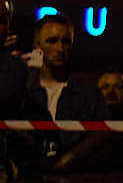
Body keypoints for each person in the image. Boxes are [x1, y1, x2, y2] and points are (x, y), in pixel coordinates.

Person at [19, 14, 109, 160]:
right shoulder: (22, 90)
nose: (60, 48)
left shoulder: (89, 94)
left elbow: (104, 141)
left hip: (75, 176)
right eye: (52, 41)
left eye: (66, 41)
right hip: (28, 173)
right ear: (37, 44)